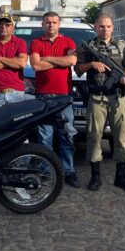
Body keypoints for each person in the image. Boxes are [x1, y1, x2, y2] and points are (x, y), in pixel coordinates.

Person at [76, 13, 125, 193]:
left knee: (121, 136)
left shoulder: (122, 46)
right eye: (101, 26)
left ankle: (121, 176)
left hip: (118, 97)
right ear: (95, 27)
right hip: (96, 98)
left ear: (113, 28)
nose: (105, 29)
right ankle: (95, 176)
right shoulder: (88, 47)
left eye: (108, 26)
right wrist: (92, 64)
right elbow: (78, 69)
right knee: (94, 136)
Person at [30, 12, 80, 188]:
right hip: (43, 97)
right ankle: (46, 171)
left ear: (59, 24)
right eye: (47, 22)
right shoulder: (36, 42)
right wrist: (60, 61)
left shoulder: (68, 42)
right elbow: (36, 65)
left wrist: (47, 59)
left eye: (54, 22)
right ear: (43, 25)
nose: (51, 25)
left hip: (64, 97)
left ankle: (69, 171)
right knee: (45, 137)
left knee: (66, 135)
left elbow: (72, 60)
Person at [0, 12, 29, 111]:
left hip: (17, 94)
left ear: (13, 27)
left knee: (18, 126)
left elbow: (21, 63)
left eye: (7, 25)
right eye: (0, 25)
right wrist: (12, 62)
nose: (4, 27)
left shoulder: (20, 43)